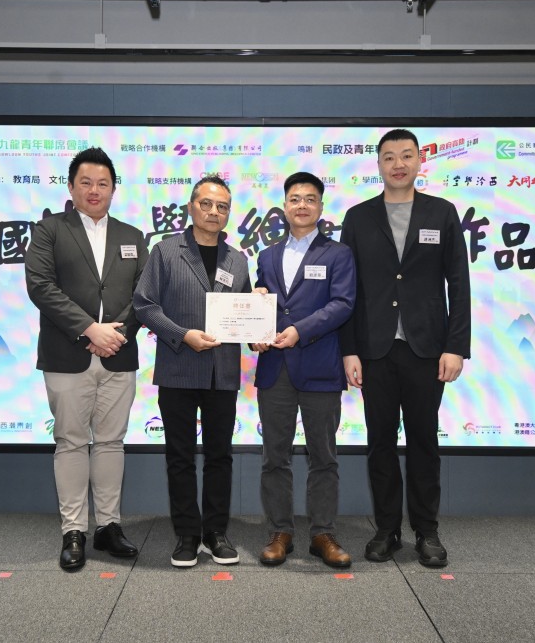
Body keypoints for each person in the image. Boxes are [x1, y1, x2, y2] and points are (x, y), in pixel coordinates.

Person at [340, 129, 471, 568]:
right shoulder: (358, 218)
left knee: (423, 442)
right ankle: (386, 529)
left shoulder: (442, 212)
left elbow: (459, 284)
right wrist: (349, 349)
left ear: (419, 161)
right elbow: (348, 291)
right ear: (378, 164)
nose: (398, 164)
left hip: (426, 349)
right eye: (389, 157)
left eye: (407, 155)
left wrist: (456, 347)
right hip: (374, 350)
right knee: (379, 443)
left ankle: (427, 532)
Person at [25, 146, 148, 571]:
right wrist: (89, 330)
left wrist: (117, 334)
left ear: (114, 189)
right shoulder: (50, 230)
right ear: (71, 186)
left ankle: (109, 526)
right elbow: (41, 286)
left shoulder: (133, 236)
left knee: (112, 442)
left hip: (119, 355)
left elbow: (144, 295)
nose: (95, 190)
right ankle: (73, 530)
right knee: (72, 442)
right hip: (66, 354)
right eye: (86, 183)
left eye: (103, 183)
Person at [133, 174, 251, 568]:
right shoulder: (165, 252)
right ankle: (186, 534)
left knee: (220, 456)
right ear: (191, 207)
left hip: (222, 372)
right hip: (178, 367)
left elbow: (245, 315)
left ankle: (215, 533)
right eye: (207, 204)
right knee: (180, 457)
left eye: (222, 207)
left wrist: (259, 321)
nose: (214, 212)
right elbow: (145, 305)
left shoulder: (238, 260)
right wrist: (183, 335)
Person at [250, 172, 356, 568]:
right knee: (274, 457)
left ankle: (322, 534)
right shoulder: (267, 256)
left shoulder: (338, 254)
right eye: (295, 198)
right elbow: (260, 304)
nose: (302, 205)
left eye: (310, 199)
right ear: (284, 206)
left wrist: (300, 331)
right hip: (274, 368)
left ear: (321, 207)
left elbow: (343, 304)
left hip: (320, 367)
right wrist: (255, 332)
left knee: (323, 457)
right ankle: (280, 531)